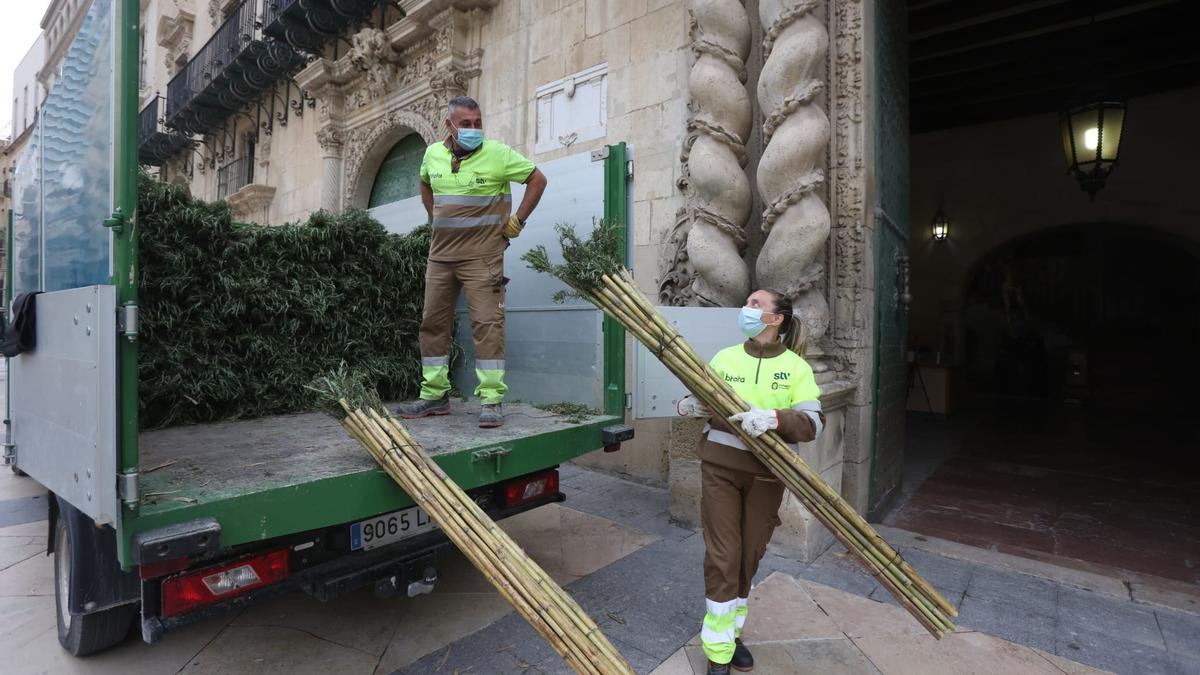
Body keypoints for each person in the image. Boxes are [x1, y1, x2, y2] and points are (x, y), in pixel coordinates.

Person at [677, 289, 824, 674]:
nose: (748, 308)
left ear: (776, 319)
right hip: (720, 468)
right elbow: (704, 401)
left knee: (748, 557)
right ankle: (718, 653)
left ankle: (731, 633)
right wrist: (694, 406)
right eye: (748, 303)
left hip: (766, 475)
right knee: (723, 556)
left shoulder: (796, 368)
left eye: (757, 304)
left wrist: (775, 419)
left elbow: (813, 424)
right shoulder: (724, 358)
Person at [395, 96, 548, 428]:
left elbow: (538, 180)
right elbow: (424, 182)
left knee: (487, 325)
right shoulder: (433, 154)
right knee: (432, 325)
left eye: (478, 123)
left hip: (482, 257)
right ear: (449, 126)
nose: (474, 129)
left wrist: (517, 221)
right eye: (466, 124)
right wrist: (434, 217)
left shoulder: (499, 155)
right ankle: (434, 395)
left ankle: (491, 400)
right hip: (440, 257)